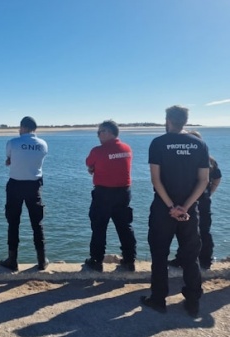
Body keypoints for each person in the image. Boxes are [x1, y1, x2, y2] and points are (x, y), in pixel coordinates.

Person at [140, 105, 210, 318]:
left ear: (168, 119)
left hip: (163, 210)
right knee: (190, 256)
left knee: (159, 255)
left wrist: (171, 207)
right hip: (189, 212)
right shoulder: (199, 144)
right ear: (185, 120)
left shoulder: (158, 143)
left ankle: (158, 299)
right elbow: (204, 181)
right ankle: (193, 301)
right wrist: (185, 207)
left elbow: (156, 179)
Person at [84, 120, 137, 272]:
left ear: (108, 132)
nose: (98, 135)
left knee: (99, 227)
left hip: (104, 194)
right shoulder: (127, 148)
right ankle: (129, 259)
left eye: (100, 132)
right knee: (124, 226)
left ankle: (96, 260)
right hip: (124, 192)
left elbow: (89, 163)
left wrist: (93, 168)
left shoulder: (98, 150)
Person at [0, 116, 49, 271]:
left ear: (23, 127)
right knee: (37, 223)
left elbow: (9, 159)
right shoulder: (43, 144)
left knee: (13, 223)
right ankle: (42, 261)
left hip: (15, 185)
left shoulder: (13, 142)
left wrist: (11, 161)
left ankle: (12, 260)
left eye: (20, 128)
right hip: (34, 186)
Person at [169, 130, 222, 270]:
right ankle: (183, 258)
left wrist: (210, 192)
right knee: (185, 229)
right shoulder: (205, 159)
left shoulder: (209, 160)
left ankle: (205, 259)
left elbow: (217, 177)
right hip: (193, 198)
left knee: (202, 230)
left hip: (201, 199)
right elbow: (217, 177)